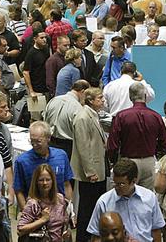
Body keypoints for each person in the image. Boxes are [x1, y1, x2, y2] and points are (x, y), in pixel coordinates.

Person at [108, 82, 166, 190]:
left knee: (125, 196)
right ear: (145, 96)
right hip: (149, 161)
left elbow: (113, 144)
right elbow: (165, 142)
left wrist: (113, 161)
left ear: (130, 97)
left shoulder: (121, 116)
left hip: (128, 161)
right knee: (147, 198)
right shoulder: (156, 116)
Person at [87, 158, 165, 242]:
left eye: (121, 184)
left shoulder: (149, 198)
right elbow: (96, 235)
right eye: (114, 183)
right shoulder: (104, 202)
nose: (116, 188)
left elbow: (156, 230)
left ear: (133, 181)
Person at [71, 88, 107, 241]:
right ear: (91, 100)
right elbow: (83, 147)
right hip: (91, 173)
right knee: (87, 208)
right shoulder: (83, 118)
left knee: (95, 206)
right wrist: (90, 171)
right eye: (100, 98)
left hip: (98, 168)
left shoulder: (93, 115)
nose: (103, 100)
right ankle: (83, 238)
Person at [13, 121, 73, 211]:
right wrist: (26, 213)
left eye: (38, 141)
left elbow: (66, 184)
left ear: (48, 138)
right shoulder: (22, 161)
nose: (34, 145)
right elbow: (18, 190)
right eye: (32, 141)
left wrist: (69, 209)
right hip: (35, 212)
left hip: (59, 211)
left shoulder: (61, 155)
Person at [17, 163, 72, 241]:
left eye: (48, 180)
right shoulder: (33, 204)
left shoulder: (60, 199)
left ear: (53, 181)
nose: (45, 183)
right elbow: (20, 230)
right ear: (36, 182)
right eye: (41, 180)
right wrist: (42, 220)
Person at [43, 79, 90, 160]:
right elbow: (80, 133)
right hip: (67, 146)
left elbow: (44, 118)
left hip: (49, 142)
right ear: (82, 91)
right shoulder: (77, 108)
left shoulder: (53, 100)